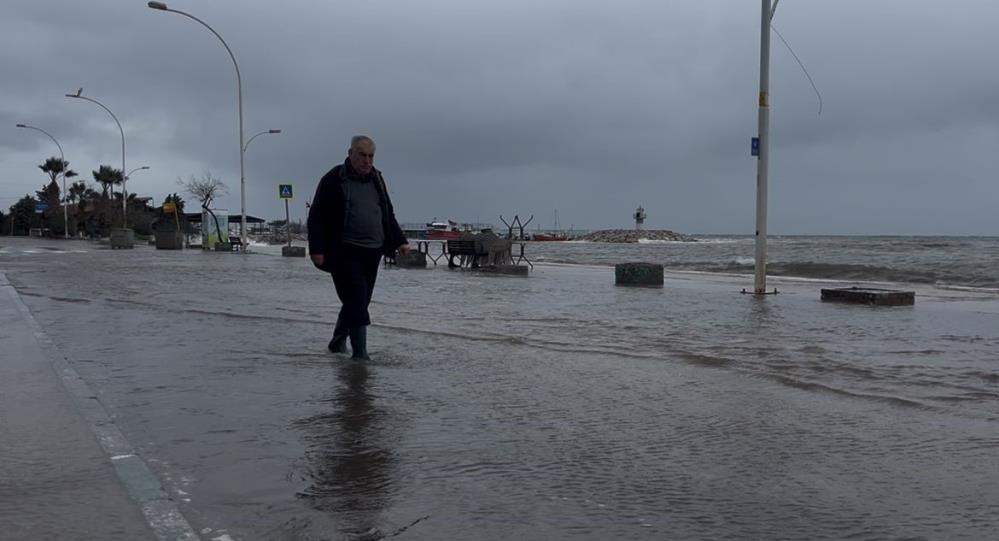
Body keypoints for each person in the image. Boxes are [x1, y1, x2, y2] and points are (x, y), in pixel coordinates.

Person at [307, 135, 409, 359]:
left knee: (359, 301)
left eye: (371, 156)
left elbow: (386, 212)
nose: (367, 160)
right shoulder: (334, 179)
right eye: (362, 155)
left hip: (373, 251)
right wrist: (317, 250)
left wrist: (400, 240)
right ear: (350, 153)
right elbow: (317, 216)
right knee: (356, 300)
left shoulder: (377, 179)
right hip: (344, 250)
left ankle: (337, 341)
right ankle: (360, 355)